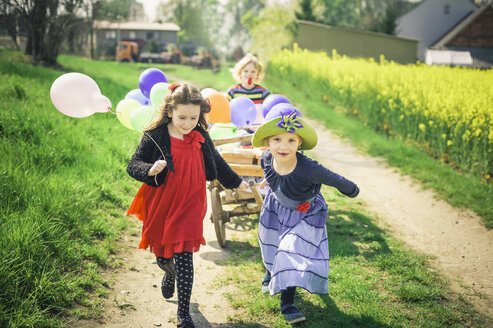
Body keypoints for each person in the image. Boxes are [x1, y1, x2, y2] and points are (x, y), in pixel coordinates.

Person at [126, 82, 248, 328]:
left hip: (191, 202)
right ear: (170, 111)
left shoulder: (201, 136)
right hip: (161, 201)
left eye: (194, 117)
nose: (188, 123)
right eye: (182, 117)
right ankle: (168, 272)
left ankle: (184, 314)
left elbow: (217, 161)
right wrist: (149, 169)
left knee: (184, 256)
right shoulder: (155, 136)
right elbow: (133, 164)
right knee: (163, 257)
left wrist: (236, 182)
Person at [251, 104, 359, 324]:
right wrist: (268, 182)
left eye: (291, 140)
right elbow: (270, 173)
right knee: (271, 244)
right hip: (276, 207)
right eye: (277, 140)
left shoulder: (309, 168)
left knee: (290, 252)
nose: (284, 146)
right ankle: (272, 272)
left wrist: (350, 188)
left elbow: (333, 178)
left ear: (300, 143)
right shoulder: (265, 158)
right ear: (267, 142)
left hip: (305, 213)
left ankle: (288, 303)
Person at [226, 53, 271, 125]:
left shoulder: (262, 92)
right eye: (246, 71)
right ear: (240, 73)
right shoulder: (233, 91)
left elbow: (271, 105)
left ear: (257, 74)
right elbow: (225, 108)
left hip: (257, 127)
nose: (249, 74)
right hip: (238, 127)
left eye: (253, 72)